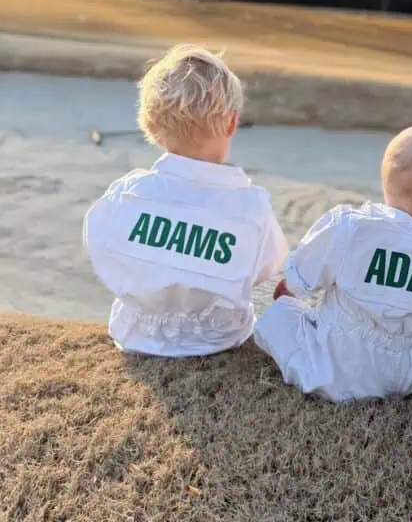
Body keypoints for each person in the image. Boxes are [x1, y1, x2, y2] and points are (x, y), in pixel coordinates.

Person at [83, 44, 288, 356]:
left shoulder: (128, 193)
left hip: (137, 331)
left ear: (150, 124)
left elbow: (101, 244)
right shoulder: (250, 207)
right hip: (220, 336)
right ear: (231, 123)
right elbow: (269, 264)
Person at [253, 125, 412, 402]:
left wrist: (288, 293)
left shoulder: (352, 227)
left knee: (277, 318)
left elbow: (299, 278)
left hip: (335, 369)